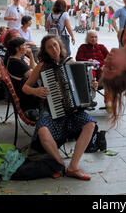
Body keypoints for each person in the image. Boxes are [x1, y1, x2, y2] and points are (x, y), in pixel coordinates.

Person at [22, 35, 96, 180]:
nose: (54, 49)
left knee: (90, 124)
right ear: (45, 50)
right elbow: (25, 87)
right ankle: (60, 164)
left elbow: (86, 87)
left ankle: (73, 167)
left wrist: (92, 86)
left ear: (60, 46)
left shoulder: (70, 62)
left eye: (55, 45)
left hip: (72, 110)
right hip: (50, 108)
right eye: (49, 47)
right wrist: (35, 90)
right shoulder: (42, 65)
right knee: (43, 130)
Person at [5, 37, 39, 117]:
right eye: (24, 45)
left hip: (24, 95)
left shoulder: (14, 59)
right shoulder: (17, 63)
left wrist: (30, 55)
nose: (27, 47)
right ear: (17, 48)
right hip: (28, 101)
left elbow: (33, 70)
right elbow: (35, 74)